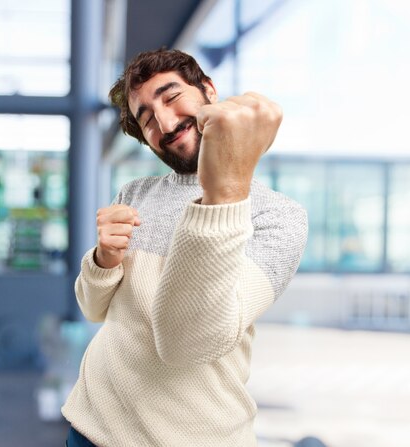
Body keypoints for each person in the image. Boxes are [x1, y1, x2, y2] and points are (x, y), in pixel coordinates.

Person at [61, 48, 308, 447]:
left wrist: (225, 192)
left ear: (208, 90)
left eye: (172, 97)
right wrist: (103, 260)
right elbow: (93, 309)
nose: (166, 122)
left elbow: (185, 342)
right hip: (91, 426)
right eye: (147, 120)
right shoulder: (135, 192)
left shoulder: (278, 217)